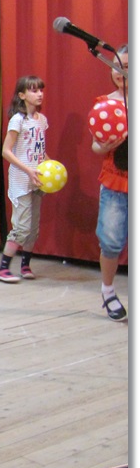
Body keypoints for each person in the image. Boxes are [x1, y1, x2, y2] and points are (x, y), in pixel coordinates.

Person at [0, 75, 49, 283]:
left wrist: (50, 165)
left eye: (41, 90)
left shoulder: (41, 120)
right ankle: (3, 268)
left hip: (37, 179)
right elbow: (6, 151)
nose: (39, 94)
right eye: (34, 91)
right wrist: (28, 170)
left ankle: (25, 265)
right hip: (21, 180)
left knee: (33, 228)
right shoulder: (18, 120)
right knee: (22, 227)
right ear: (22, 95)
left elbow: (38, 150)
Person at [90, 43, 128, 322]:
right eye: (117, 66)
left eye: (126, 67)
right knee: (111, 243)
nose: (120, 71)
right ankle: (108, 291)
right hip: (116, 183)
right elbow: (96, 146)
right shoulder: (105, 105)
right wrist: (106, 145)